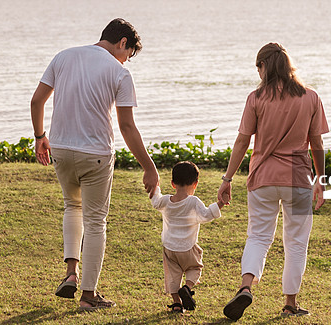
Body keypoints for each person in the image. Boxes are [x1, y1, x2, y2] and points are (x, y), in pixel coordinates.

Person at [30, 18, 160, 311]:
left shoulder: (63, 56)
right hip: (97, 154)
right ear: (123, 43)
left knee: (71, 207)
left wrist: (40, 137)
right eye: (129, 54)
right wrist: (149, 167)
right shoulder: (119, 73)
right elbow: (127, 127)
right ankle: (89, 295)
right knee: (96, 221)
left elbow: (37, 101)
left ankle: (70, 274)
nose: (127, 61)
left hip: (61, 149)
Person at [218, 43, 328, 321]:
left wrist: (227, 178)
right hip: (299, 179)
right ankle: (290, 303)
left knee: (258, 237)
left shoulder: (255, 99)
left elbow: (243, 140)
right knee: (296, 243)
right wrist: (320, 179)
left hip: (262, 177)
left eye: (258, 67)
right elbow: (317, 142)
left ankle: (245, 287)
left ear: (265, 67)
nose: (257, 73)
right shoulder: (311, 98)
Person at [149, 161, 224, 313]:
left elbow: (155, 202)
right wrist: (220, 204)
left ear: (172, 184)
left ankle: (177, 304)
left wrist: (155, 186)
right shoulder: (193, 201)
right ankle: (187, 287)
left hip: (169, 248)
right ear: (195, 184)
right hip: (188, 247)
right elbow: (206, 215)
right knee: (195, 267)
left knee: (172, 276)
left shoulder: (165, 201)